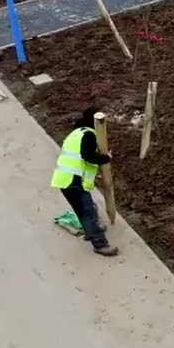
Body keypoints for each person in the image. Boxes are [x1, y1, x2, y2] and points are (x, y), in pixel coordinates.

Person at [51, 107, 119, 257]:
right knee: (88, 211)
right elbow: (87, 156)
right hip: (73, 181)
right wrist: (106, 158)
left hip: (64, 180)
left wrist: (94, 177)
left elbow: (77, 160)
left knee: (82, 211)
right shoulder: (89, 134)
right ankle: (100, 244)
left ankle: (90, 233)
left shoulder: (76, 134)